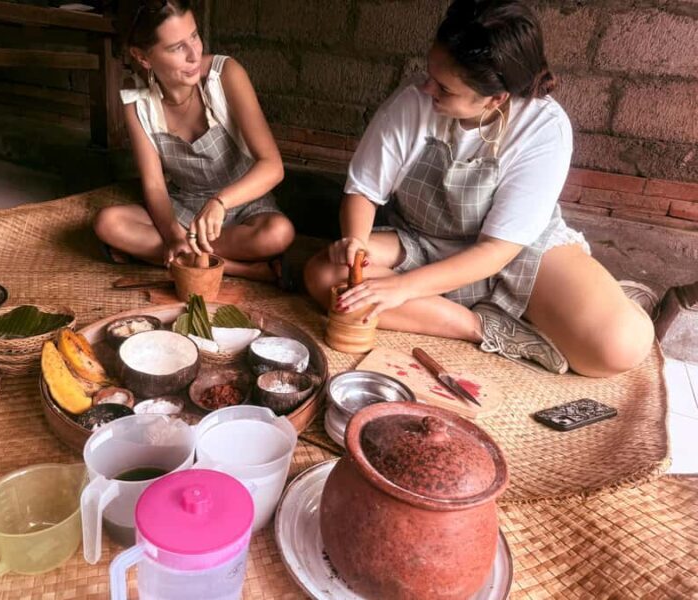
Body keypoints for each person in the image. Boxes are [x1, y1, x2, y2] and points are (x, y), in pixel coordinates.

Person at [304, 0, 654, 377]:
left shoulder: (542, 127)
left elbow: (496, 251)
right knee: (327, 278)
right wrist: (355, 242)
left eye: (444, 87)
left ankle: (609, 298)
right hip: (422, 241)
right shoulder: (413, 102)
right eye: (430, 73)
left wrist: (403, 288)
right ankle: (486, 327)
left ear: (496, 98)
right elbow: (363, 191)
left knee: (616, 348)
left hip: (513, 251)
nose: (427, 87)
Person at [94, 0, 295, 285]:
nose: (194, 54)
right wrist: (173, 236)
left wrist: (220, 202)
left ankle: (168, 257)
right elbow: (155, 186)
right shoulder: (136, 101)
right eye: (177, 47)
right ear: (142, 57)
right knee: (108, 223)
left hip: (243, 202)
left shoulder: (224, 75)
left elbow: (273, 166)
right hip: (184, 206)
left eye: (195, 36)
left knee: (278, 234)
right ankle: (243, 269)